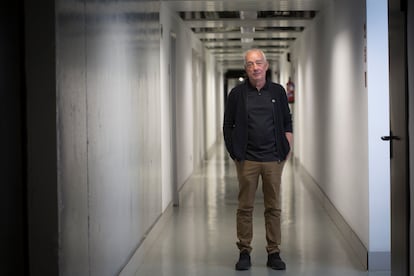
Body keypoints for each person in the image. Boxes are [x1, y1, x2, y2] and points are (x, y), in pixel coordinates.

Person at [223, 48, 293, 271]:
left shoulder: (278, 92)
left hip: (273, 158)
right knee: (245, 207)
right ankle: (244, 251)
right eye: (250, 64)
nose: (255, 67)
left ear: (266, 65)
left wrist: (286, 149)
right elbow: (228, 125)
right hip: (247, 159)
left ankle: (274, 252)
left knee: (273, 207)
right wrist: (235, 153)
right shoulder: (237, 94)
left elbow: (287, 122)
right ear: (246, 68)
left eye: (258, 62)